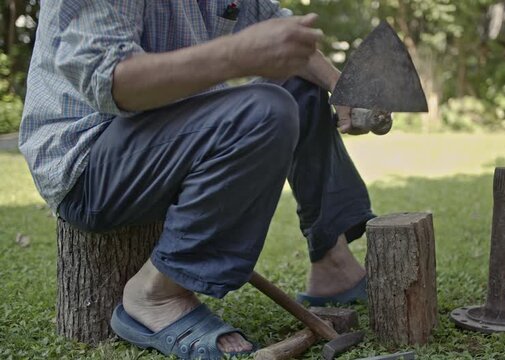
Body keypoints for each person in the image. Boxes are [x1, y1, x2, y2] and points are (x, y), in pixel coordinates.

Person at [20, 1, 387, 358]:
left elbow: (285, 42)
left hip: (166, 140)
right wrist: (236, 54)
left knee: (298, 84)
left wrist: (344, 91)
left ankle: (332, 264)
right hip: (87, 160)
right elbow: (109, 80)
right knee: (264, 112)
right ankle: (156, 294)